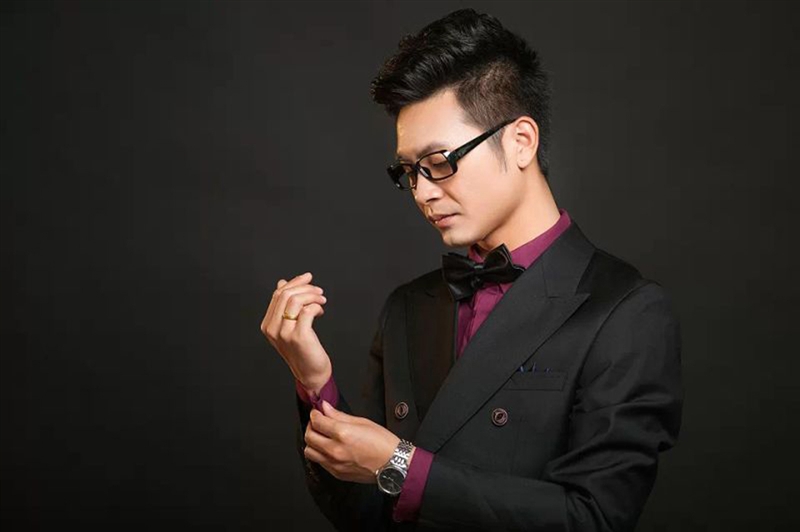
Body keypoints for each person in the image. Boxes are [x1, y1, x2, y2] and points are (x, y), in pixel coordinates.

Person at [260, 8, 682, 532]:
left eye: (440, 162)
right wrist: (314, 380)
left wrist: (401, 465)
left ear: (521, 141)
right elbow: (365, 513)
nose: (422, 192)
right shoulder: (408, 307)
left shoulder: (626, 311)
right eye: (409, 172)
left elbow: (594, 518)